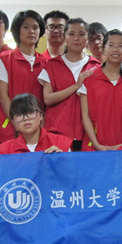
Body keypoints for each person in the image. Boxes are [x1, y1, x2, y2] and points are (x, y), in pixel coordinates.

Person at [38, 18, 101, 151]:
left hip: (87, 134)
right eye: (71, 34)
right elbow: (47, 99)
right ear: (64, 37)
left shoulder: (97, 66)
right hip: (57, 133)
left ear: (87, 38)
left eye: (81, 34)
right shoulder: (52, 65)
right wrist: (76, 86)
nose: (76, 38)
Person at [0, 10, 48, 145]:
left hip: (37, 131)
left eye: (35, 28)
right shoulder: (4, 59)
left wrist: (37, 124)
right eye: (26, 27)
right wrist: (18, 123)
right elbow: (3, 97)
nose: (31, 31)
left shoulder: (46, 63)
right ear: (17, 31)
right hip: (10, 129)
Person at [79, 29, 122, 151]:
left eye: (121, 46)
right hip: (93, 148)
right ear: (103, 48)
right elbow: (85, 116)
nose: (115, 49)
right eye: (111, 45)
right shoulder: (89, 78)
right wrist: (96, 144)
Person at [0, 93, 73, 154]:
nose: (26, 118)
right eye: (19, 115)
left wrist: (61, 159)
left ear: (41, 116)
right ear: (13, 121)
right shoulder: (3, 152)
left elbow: (70, 169)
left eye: (30, 112)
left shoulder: (61, 143)